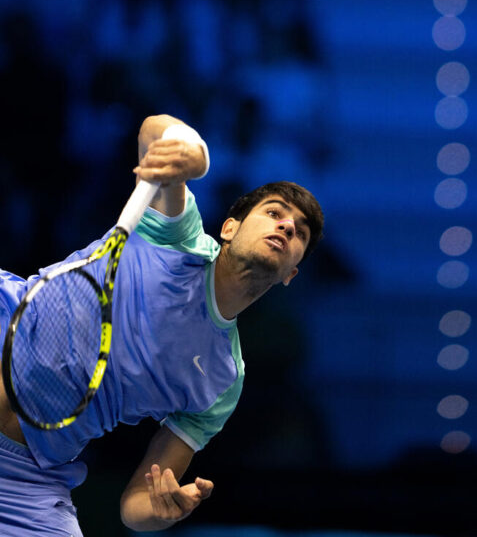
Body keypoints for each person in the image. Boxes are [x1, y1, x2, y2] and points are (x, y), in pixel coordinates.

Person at [0, 114, 324, 535]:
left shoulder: (223, 381)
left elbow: (134, 505)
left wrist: (159, 510)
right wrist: (193, 155)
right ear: (229, 228)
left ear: (290, 274)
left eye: (299, 233)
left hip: (24, 479)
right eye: (274, 212)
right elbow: (155, 129)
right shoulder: (179, 238)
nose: (286, 226)